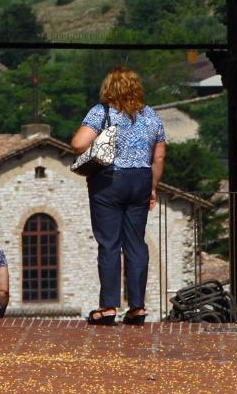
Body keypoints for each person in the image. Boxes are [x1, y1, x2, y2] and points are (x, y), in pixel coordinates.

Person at [70, 66, 166, 326]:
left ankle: (109, 306)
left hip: (109, 181)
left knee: (109, 243)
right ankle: (137, 307)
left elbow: (78, 144)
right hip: (141, 180)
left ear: (108, 88)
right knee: (136, 243)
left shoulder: (101, 112)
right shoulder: (152, 116)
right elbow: (158, 156)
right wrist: (153, 187)